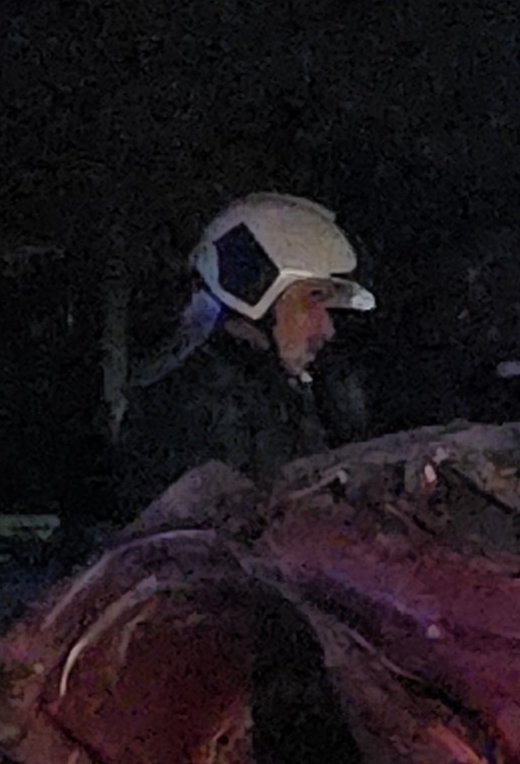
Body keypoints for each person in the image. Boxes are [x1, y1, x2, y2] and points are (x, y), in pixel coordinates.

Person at [113, 191, 376, 525]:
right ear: (252, 288)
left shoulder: (278, 393)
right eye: (314, 298)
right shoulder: (197, 410)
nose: (327, 328)